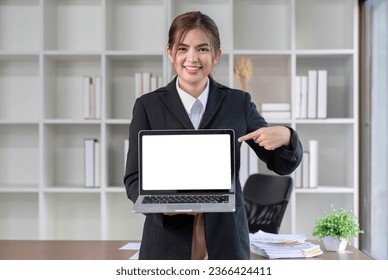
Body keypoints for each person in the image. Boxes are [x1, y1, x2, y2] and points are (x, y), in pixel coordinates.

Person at [124, 11, 303, 260]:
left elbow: (280, 164)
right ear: (170, 53)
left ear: (216, 55)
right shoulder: (148, 106)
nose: (192, 58)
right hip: (167, 241)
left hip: (227, 237)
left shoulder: (238, 103)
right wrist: (162, 208)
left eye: (203, 49)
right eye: (183, 48)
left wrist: (287, 136)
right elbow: (133, 178)